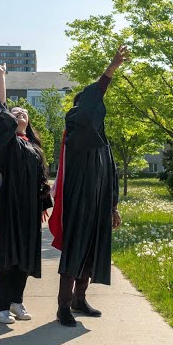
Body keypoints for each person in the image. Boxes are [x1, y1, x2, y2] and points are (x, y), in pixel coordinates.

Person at [50, 45, 128, 327]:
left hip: (98, 206)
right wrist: (110, 70)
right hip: (79, 203)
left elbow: (111, 175)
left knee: (91, 253)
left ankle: (80, 300)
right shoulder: (75, 127)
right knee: (75, 252)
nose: (98, 111)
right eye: (94, 105)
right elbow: (93, 100)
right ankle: (63, 307)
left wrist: (113, 207)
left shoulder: (102, 142)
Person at [0, 55, 52, 324]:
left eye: (25, 111)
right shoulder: (7, 144)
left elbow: (41, 179)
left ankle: (16, 301)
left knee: (24, 255)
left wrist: (44, 204)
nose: (20, 111)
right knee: (5, 255)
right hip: (9, 207)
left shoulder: (34, 147)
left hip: (29, 210)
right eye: (16, 111)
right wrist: (2, 77)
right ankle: (0, 307)